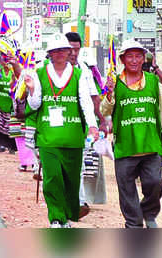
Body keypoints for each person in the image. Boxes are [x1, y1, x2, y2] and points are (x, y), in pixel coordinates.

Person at [24, 33, 99, 228]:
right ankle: (56, 218)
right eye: (55, 51)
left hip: (73, 135)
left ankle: (66, 216)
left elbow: (85, 102)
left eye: (63, 50)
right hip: (48, 135)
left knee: (71, 180)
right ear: (49, 54)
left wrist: (92, 125)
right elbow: (35, 104)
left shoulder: (78, 74)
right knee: (52, 178)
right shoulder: (39, 73)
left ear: (69, 52)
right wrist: (31, 90)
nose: (59, 54)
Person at [101, 39, 162, 228]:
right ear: (122, 60)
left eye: (138, 56)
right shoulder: (115, 82)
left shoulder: (151, 81)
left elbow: (161, 109)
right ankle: (134, 225)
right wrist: (109, 94)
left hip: (151, 144)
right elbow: (104, 111)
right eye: (130, 56)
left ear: (144, 59)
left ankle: (149, 214)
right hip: (126, 146)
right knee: (126, 191)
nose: (134, 60)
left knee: (154, 183)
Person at [65, 32, 108, 219]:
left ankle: (79, 202)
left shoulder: (84, 70)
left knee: (79, 164)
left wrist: (102, 120)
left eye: (77, 49)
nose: (73, 53)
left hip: (79, 125)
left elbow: (93, 97)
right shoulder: (47, 69)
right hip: (54, 127)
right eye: (70, 49)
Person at [0, 50, 19, 154]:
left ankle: (11, 146)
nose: (4, 62)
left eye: (6, 60)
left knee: (9, 126)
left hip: (10, 104)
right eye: (2, 60)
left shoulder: (14, 72)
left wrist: (14, 80)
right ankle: (0, 145)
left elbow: (14, 88)